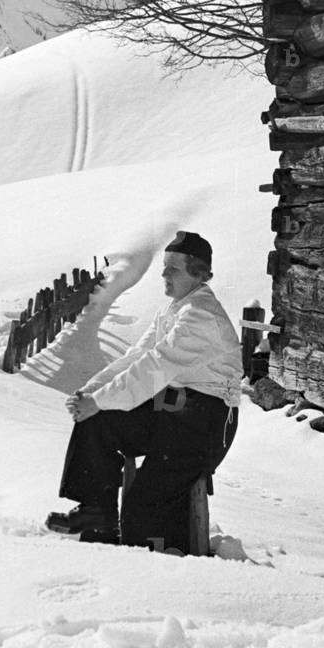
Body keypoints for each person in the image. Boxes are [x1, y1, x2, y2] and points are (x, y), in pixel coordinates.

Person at [45, 231, 242, 553]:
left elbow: (155, 366)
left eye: (173, 269)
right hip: (175, 417)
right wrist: (90, 394)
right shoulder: (176, 309)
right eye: (164, 267)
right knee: (99, 423)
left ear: (199, 273)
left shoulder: (200, 315)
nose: (163, 274)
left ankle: (158, 559)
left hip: (204, 425)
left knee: (144, 505)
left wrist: (98, 400)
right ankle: (97, 516)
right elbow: (136, 356)